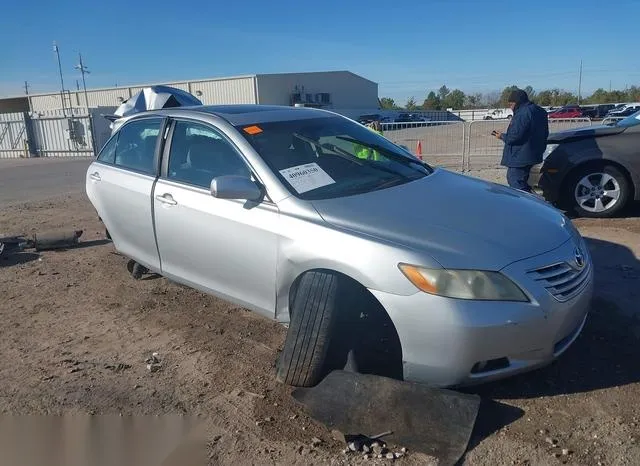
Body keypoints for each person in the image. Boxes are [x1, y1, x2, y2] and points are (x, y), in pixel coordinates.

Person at [492, 89, 549, 192]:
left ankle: (528, 205)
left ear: (517, 102)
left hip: (520, 156)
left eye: (511, 104)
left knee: (516, 183)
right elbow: (545, 133)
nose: (510, 107)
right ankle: (531, 199)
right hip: (534, 153)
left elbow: (514, 136)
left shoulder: (522, 113)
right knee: (522, 182)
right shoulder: (540, 111)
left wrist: (502, 136)